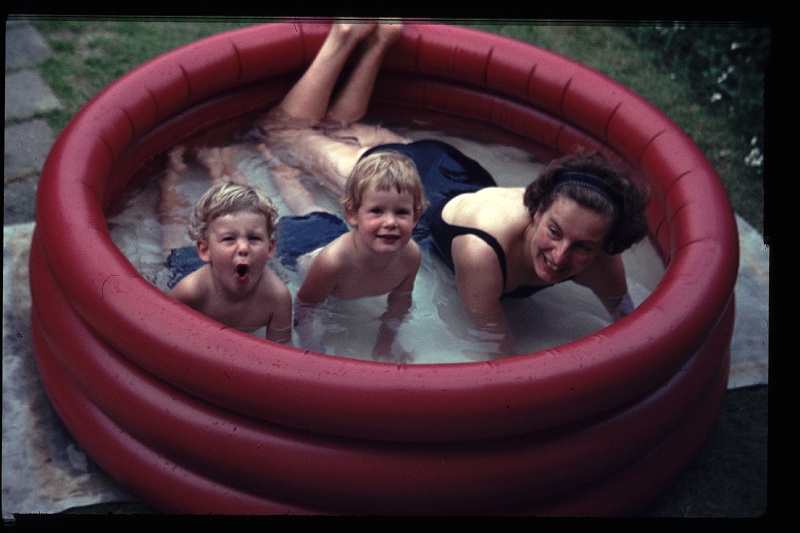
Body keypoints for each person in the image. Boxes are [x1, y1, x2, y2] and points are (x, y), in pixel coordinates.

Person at [292, 150, 427, 362]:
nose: (390, 222)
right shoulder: (333, 263)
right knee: (304, 209)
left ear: (415, 218)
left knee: (312, 210)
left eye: (401, 212)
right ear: (352, 214)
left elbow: (400, 302)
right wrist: (310, 348)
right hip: (300, 246)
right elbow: (304, 307)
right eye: (377, 211)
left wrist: (386, 341)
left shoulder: (411, 256)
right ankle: (280, 172)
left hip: (346, 235)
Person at [167, 180, 293, 344]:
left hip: (220, 261)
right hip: (185, 266)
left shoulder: (277, 298)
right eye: (229, 239)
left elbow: (281, 351)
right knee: (172, 243)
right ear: (205, 250)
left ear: (270, 248)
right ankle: (168, 183)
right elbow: (167, 338)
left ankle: (218, 169)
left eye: (254, 238)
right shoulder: (189, 292)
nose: (244, 247)